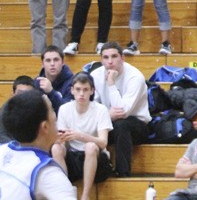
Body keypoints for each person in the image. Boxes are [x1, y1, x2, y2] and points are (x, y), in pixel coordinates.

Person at [0, 90, 77, 198]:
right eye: (52, 110)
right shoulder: (47, 173)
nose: (55, 115)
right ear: (45, 127)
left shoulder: (2, 150)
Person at [90, 41, 151, 177]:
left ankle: (123, 173)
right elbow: (91, 107)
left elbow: (122, 112)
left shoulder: (135, 77)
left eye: (114, 56)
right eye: (105, 58)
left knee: (121, 125)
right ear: (101, 60)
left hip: (137, 124)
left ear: (122, 58)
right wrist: (106, 115)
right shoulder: (95, 75)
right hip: (108, 122)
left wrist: (111, 84)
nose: (110, 62)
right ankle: (96, 172)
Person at [51, 72, 113, 200]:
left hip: (97, 158)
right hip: (73, 157)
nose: (81, 94)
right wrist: (59, 139)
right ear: (72, 90)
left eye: (85, 90)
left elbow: (103, 142)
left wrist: (80, 136)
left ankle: (85, 196)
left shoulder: (101, 109)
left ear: (92, 91)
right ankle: (65, 192)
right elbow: (62, 141)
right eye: (78, 89)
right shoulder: (64, 109)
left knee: (90, 147)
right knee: (56, 148)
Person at [35, 45, 74, 114]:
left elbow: (68, 112)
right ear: (42, 64)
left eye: (56, 60)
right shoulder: (36, 83)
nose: (52, 64)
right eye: (48, 60)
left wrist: (51, 92)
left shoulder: (73, 83)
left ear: (62, 63)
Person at [0, 75, 37, 144]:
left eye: (28, 94)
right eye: (20, 93)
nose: (23, 97)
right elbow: (1, 136)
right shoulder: (5, 111)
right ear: (13, 94)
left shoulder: (38, 110)